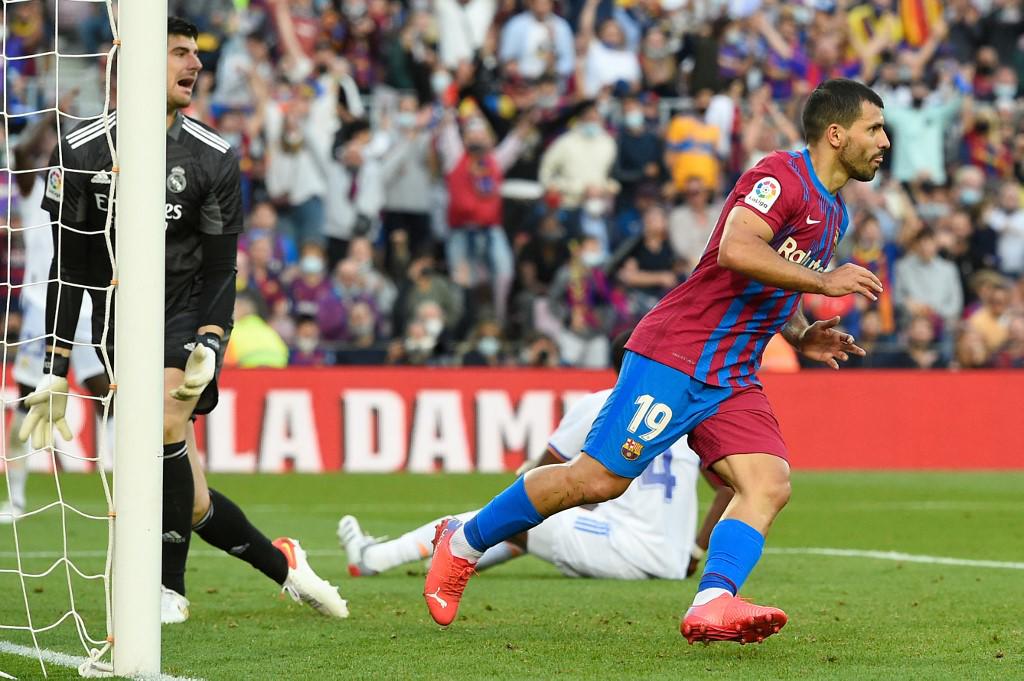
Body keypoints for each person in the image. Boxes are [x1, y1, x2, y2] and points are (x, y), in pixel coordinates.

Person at [422, 78, 888, 645]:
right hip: (681, 350)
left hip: (734, 374)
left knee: (768, 483)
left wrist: (799, 332)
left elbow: (771, 279)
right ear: (836, 134)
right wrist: (822, 280)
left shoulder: (833, 210)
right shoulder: (779, 177)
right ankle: (464, 539)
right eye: (874, 128)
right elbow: (737, 251)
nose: (884, 140)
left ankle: (713, 602)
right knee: (595, 480)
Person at [20, 17, 347, 624]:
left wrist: (211, 342)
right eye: (178, 52)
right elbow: (71, 270)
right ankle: (286, 566)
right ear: (139, 62)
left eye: (196, 54)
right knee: (188, 499)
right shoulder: (82, 149)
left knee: (170, 414)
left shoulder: (215, 157)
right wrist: (57, 368)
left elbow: (224, 268)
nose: (193, 65)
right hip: (117, 327)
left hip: (186, 319)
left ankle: (167, 587)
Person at [340, 331, 733, 580]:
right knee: (539, 518)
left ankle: (377, 557)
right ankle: (457, 559)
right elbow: (728, 489)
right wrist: (696, 551)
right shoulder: (682, 410)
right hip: (670, 558)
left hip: (627, 548)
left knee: (517, 510)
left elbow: (537, 476)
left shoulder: (604, 403)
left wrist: (528, 474)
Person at [1, 114, 112, 524]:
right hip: (40, 307)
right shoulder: (34, 187)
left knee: (112, 398)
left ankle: (123, 486)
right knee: (28, 402)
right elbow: (21, 151)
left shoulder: (94, 179)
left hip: (91, 305)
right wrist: (52, 116)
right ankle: (15, 499)